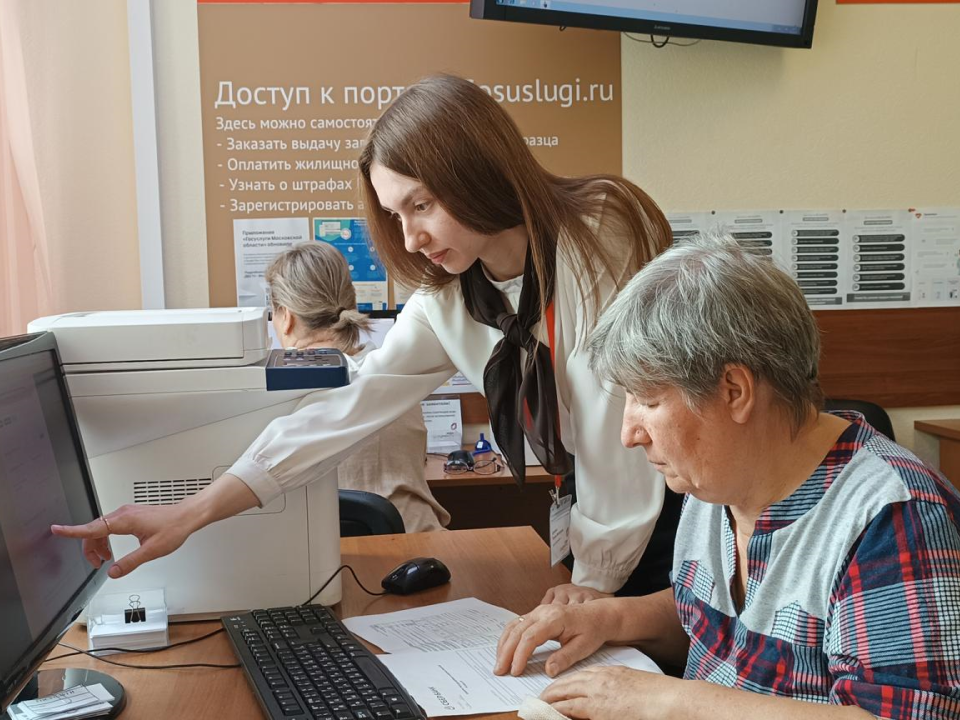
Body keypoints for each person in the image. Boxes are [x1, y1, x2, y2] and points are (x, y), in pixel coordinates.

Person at [52, 73, 677, 603]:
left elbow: (611, 422)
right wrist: (188, 514)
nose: (409, 240)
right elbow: (342, 410)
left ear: (478, 172)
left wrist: (595, 587)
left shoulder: (599, 228)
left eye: (422, 205)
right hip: (596, 526)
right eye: (396, 215)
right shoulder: (448, 300)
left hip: (664, 512)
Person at [494, 234, 960, 719]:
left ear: (735, 391)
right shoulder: (717, 479)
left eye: (649, 402)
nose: (628, 434)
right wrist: (607, 617)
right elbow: (711, 624)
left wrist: (668, 701)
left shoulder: (894, 521)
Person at [266, 241, 449, 532]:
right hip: (419, 545)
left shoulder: (279, 395)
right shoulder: (392, 372)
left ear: (286, 317)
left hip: (329, 554)